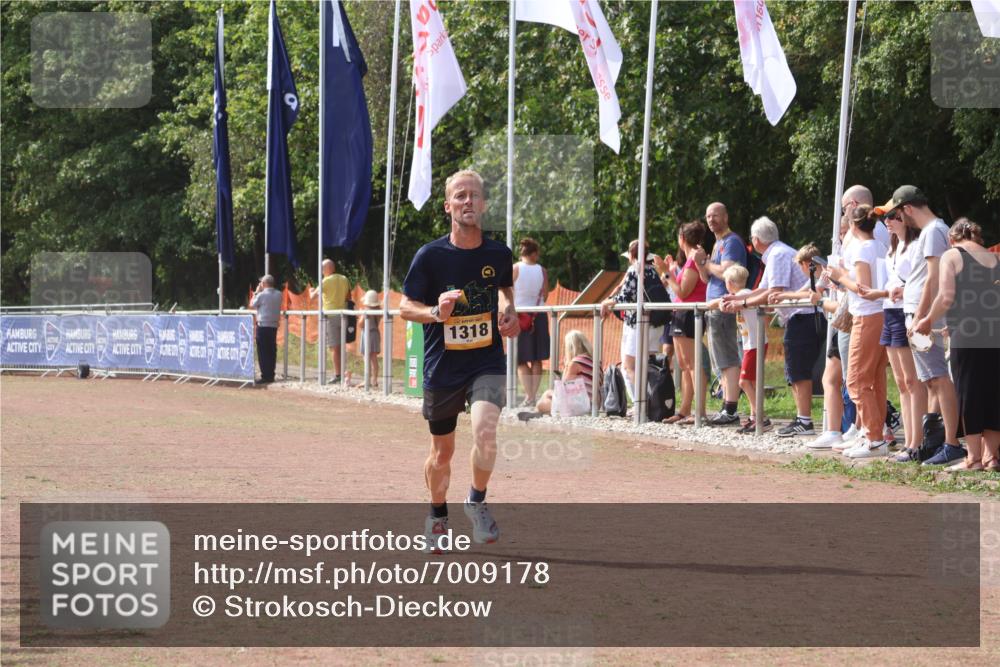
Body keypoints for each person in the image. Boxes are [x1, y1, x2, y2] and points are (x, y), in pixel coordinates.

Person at [400, 169, 520, 553]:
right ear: (447, 206)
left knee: (486, 431)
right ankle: (437, 515)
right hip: (443, 365)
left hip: (486, 360)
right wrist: (437, 312)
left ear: (483, 204)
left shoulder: (498, 253)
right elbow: (405, 307)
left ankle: (477, 501)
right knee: (442, 453)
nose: (468, 201)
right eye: (460, 196)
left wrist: (509, 310)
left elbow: (503, 288)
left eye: (474, 196)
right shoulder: (430, 256)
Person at [878, 185, 965, 466]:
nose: (902, 219)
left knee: (938, 378)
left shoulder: (933, 232)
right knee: (930, 379)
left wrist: (920, 316)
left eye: (899, 212)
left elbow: (934, 277)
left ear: (907, 209)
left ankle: (951, 443)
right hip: (917, 311)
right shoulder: (932, 232)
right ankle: (934, 441)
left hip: (923, 314)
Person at [724, 216, 822, 437]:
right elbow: (764, 289)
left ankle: (804, 420)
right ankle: (801, 418)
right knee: (794, 370)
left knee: (798, 371)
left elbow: (773, 291)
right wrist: (739, 301)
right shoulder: (776, 253)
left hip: (802, 316)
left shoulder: (777, 254)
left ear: (756, 239)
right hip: (798, 317)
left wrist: (744, 302)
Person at [914, 220, 1000, 471]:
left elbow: (946, 296)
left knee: (969, 392)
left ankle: (973, 458)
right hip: (994, 333)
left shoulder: (952, 255)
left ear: (953, 239)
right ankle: (992, 457)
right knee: (993, 393)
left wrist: (928, 320)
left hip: (968, 336)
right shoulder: (994, 258)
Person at [856, 210, 924, 461]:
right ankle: (910, 442)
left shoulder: (915, 246)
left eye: (893, 216)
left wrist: (894, 292)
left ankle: (917, 442)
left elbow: (923, 281)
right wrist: (882, 293)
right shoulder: (892, 248)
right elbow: (891, 284)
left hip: (906, 312)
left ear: (905, 218)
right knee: (902, 383)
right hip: (891, 312)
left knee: (911, 382)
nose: (887, 221)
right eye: (886, 217)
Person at [824, 206, 891, 458]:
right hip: (878, 313)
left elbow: (864, 288)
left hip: (867, 314)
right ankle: (870, 433)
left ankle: (874, 437)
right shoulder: (879, 246)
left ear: (852, 226)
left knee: (856, 380)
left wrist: (841, 276)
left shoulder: (863, 248)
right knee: (874, 378)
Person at [693, 202, 747, 426]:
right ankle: (727, 404)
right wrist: (700, 264)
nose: (711, 220)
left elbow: (726, 271)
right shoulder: (717, 243)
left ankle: (731, 408)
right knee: (720, 359)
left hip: (725, 305)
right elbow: (707, 277)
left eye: (715, 215)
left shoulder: (731, 241)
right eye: (708, 216)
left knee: (727, 357)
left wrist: (705, 262)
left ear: (726, 217)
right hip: (714, 306)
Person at [706, 265, 770, 433]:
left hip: (755, 344)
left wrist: (718, 303)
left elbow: (723, 301)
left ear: (731, 282)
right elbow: (718, 302)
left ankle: (761, 417)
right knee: (753, 382)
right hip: (753, 344)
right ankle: (755, 416)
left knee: (743, 382)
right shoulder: (741, 295)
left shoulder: (742, 295)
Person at [600, 239, 665, 402]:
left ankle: (641, 404)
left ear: (631, 255)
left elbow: (625, 296)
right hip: (655, 323)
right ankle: (654, 402)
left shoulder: (634, 269)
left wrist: (609, 301)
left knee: (629, 367)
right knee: (647, 367)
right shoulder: (652, 270)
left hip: (638, 324)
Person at [658, 221, 709, 425]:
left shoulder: (691, 262)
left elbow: (682, 292)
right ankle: (685, 410)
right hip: (681, 314)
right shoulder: (689, 260)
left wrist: (666, 273)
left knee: (693, 364)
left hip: (689, 314)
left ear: (682, 239)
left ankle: (700, 412)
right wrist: (670, 271)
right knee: (684, 364)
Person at [513, 237, 550, 406]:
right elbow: (545, 294)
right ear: (534, 253)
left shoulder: (515, 268)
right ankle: (533, 396)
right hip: (538, 315)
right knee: (537, 358)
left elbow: (507, 291)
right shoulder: (542, 271)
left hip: (520, 316)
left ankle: (529, 396)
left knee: (520, 359)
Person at [535, 330, 600, 416]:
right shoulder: (597, 363)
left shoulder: (575, 363)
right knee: (547, 394)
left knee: (540, 404)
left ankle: (535, 417)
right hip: (594, 405)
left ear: (570, 347)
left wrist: (566, 367)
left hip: (580, 406)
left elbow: (563, 389)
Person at [309, 259, 350, 383]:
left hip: (331, 316)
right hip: (344, 314)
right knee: (342, 346)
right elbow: (349, 296)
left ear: (325, 270)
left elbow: (312, 297)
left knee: (334, 347)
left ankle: (338, 375)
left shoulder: (325, 281)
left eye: (322, 269)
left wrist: (311, 290)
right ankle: (344, 373)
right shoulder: (344, 278)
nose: (321, 272)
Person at [251, 274, 283, 384]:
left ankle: (265, 375)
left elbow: (252, 304)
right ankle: (271, 374)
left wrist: (256, 291)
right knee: (272, 350)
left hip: (263, 325)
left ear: (264, 284)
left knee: (263, 351)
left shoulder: (261, 294)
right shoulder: (279, 294)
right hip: (273, 326)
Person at [359, 289, 381, 389]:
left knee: (366, 357)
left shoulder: (367, 312)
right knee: (374, 358)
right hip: (375, 333)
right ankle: (374, 379)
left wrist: (360, 315)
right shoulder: (378, 311)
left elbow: (360, 324)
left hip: (367, 333)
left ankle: (366, 379)